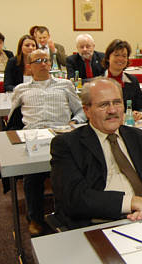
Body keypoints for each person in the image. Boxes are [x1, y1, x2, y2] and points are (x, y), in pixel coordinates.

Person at [50, 77, 142, 229]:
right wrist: (132, 202)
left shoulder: (140, 138)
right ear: (86, 110)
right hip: (100, 225)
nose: (113, 110)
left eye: (117, 102)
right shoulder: (67, 144)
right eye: (104, 105)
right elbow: (75, 198)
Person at [9, 49, 86, 235]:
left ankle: (65, 214)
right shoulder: (21, 89)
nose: (43, 63)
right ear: (29, 67)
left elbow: (81, 111)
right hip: (34, 138)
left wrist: (74, 122)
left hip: (61, 135)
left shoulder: (65, 85)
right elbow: (12, 120)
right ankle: (34, 218)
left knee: (68, 173)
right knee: (32, 177)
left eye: (46, 60)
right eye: (38, 61)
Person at [102, 39, 142, 120]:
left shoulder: (132, 80)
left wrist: (140, 114)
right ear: (108, 58)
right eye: (116, 55)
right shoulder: (98, 82)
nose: (120, 59)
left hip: (130, 125)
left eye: (124, 56)